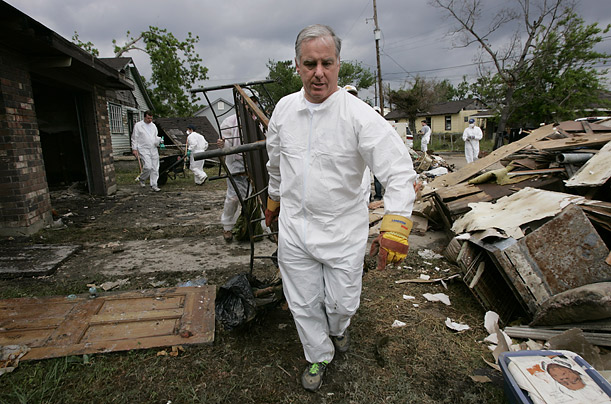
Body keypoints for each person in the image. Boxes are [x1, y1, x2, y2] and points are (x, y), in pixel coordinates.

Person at [264, 24, 417, 392]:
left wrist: (395, 226)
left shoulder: (359, 116)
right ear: (297, 65)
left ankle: (339, 328)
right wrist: (274, 198)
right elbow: (275, 161)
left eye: (326, 63)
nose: (319, 72)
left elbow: (398, 172)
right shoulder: (284, 110)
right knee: (301, 301)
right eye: (310, 63)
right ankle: (318, 355)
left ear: (338, 64)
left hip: (343, 230)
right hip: (296, 228)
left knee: (342, 302)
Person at [217, 114, 250, 242]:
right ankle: (227, 227)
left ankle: (263, 227)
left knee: (258, 198)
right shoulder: (229, 122)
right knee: (233, 198)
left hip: (255, 164)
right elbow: (227, 145)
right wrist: (222, 144)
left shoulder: (257, 118)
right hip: (236, 165)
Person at [132, 110, 162, 192]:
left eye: (151, 118)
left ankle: (154, 184)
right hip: (143, 148)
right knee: (148, 166)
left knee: (155, 167)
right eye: (148, 118)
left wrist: (159, 141)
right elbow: (135, 137)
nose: (150, 120)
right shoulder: (138, 125)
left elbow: (155, 137)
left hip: (153, 148)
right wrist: (134, 148)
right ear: (145, 117)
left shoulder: (153, 126)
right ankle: (142, 178)